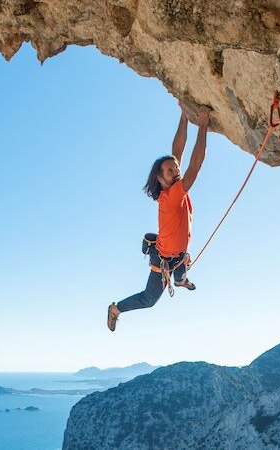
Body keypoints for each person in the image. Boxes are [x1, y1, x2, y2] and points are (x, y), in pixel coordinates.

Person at [107, 102, 212, 332]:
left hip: (178, 253)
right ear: (161, 180)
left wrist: (184, 115)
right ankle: (115, 309)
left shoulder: (172, 187)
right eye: (170, 171)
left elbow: (177, 152)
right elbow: (195, 166)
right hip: (165, 258)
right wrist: (203, 125)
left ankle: (180, 280)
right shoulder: (173, 195)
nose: (176, 170)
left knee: (181, 268)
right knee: (149, 299)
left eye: (175, 168)